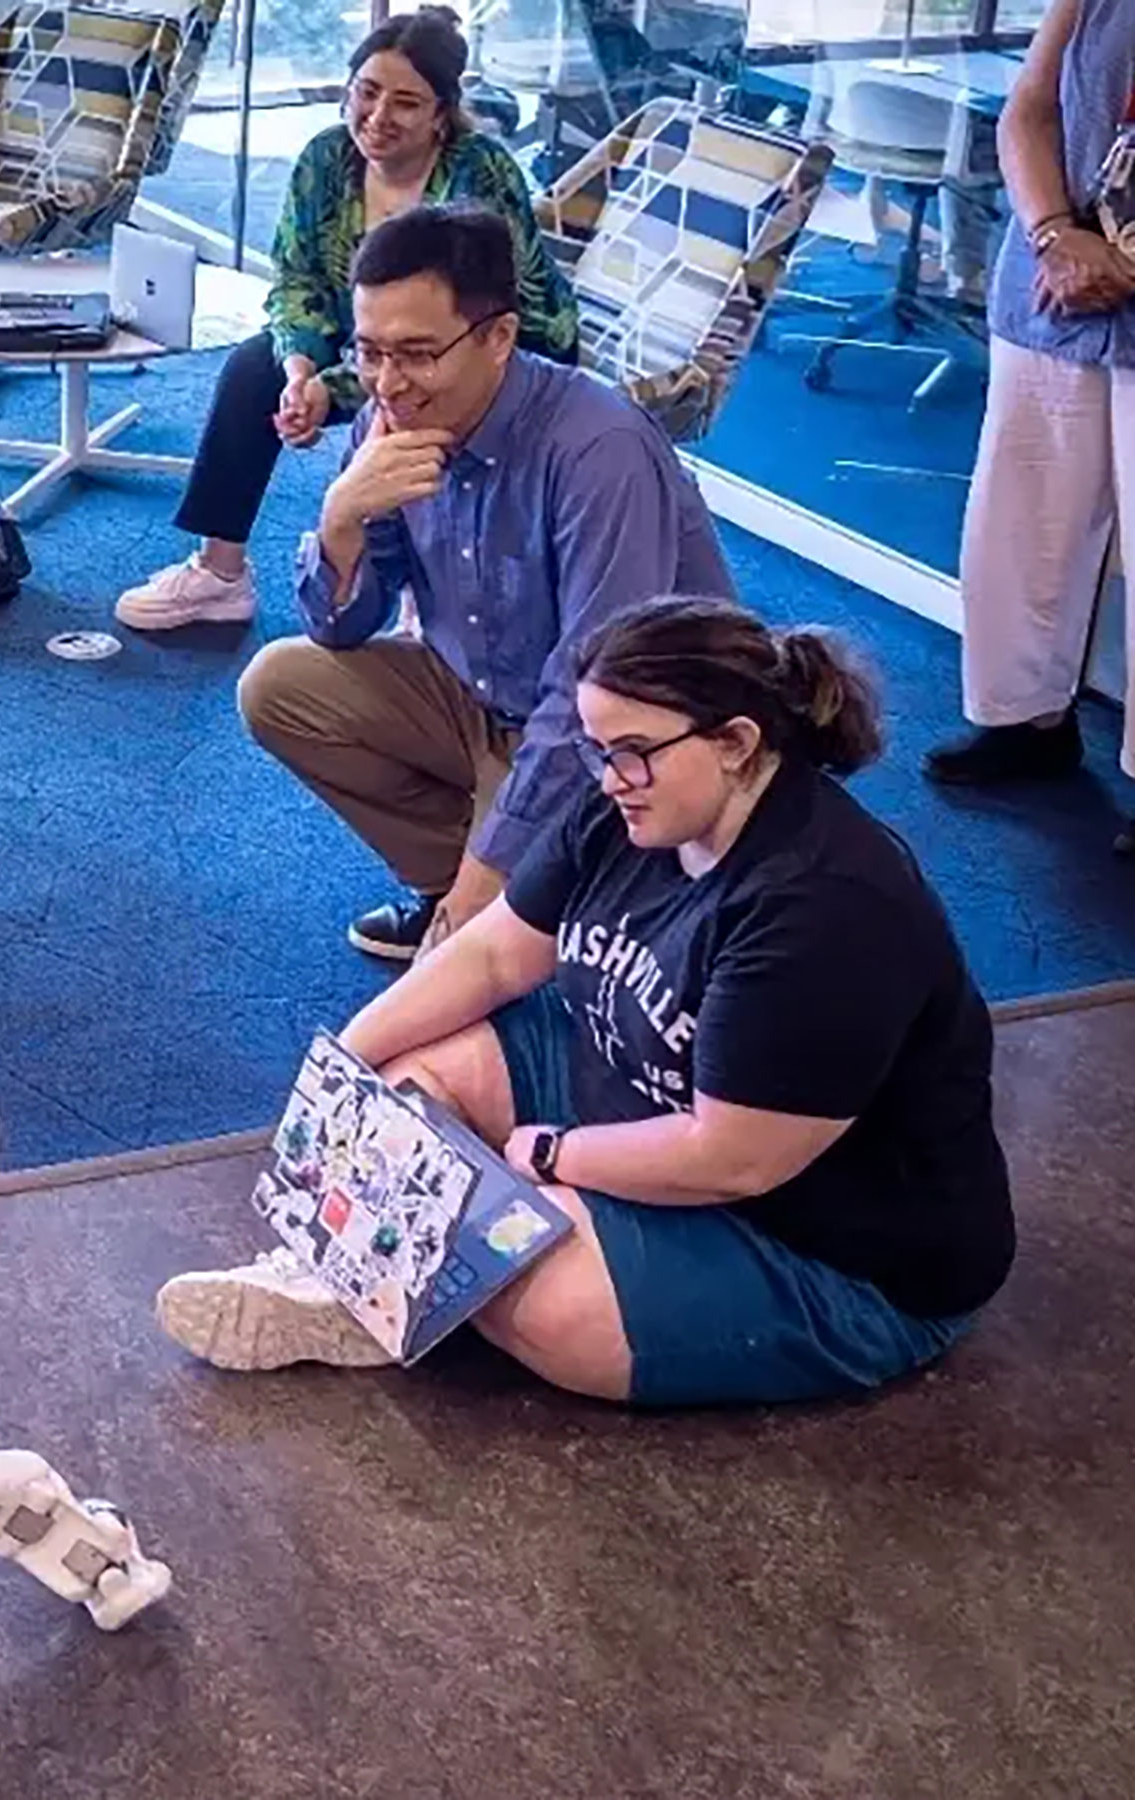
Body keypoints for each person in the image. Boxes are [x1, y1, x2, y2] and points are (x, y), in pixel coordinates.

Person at [160, 597, 1014, 1408]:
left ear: (737, 742)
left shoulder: (824, 909)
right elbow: (495, 953)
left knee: (545, 1297)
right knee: (413, 1070)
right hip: (650, 1086)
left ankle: (381, 1279)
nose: (611, 779)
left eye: (632, 751)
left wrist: (550, 1158)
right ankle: (377, 1283)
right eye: (600, 751)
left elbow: (732, 1160)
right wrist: (343, 1069)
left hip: (828, 1246)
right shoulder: (638, 803)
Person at [241, 203, 733, 962]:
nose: (388, 384)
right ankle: (496, 900)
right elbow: (339, 628)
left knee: (480, 985)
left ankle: (531, 907)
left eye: (416, 353)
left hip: (626, 744)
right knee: (280, 686)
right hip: (485, 704)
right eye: (368, 353)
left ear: (499, 337)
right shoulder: (389, 419)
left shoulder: (597, 452)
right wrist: (341, 518)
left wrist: (489, 870)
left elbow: (596, 696)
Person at [115, 6, 579, 633]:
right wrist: (299, 370)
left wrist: (329, 389)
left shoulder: (478, 174)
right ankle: (219, 573)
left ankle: (429, 596)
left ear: (441, 115)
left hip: (482, 345)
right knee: (253, 370)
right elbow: (296, 276)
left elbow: (458, 330)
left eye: (407, 103)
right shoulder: (327, 158)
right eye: (367, 92)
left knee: (413, 403)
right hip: (370, 340)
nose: (378, 117)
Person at [921, 0, 1135, 854]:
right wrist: (1054, 234)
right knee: (1023, 525)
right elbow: (1029, 109)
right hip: (1056, 287)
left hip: (1106, 273)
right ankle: (1025, 720)